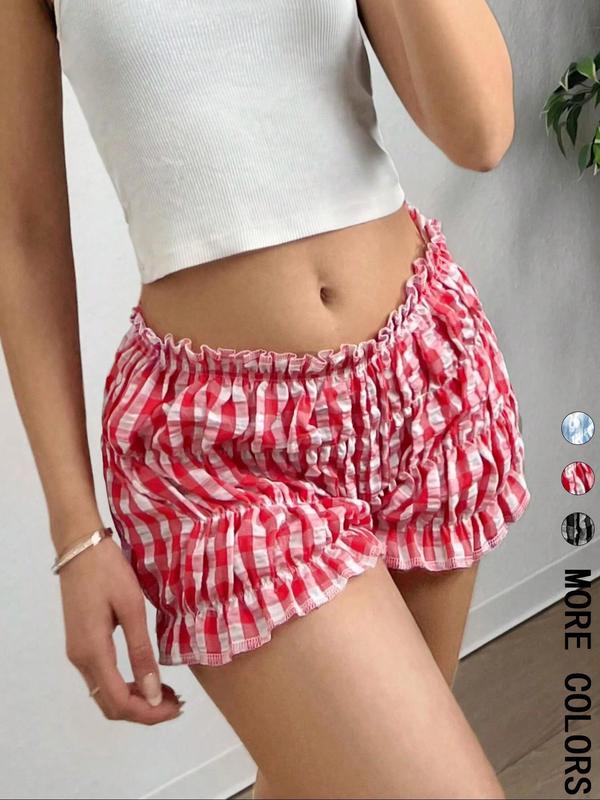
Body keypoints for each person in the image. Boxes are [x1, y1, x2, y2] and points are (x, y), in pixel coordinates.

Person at [0, 1, 530, 798]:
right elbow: (22, 229)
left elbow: (480, 131)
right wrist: (76, 535)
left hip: (421, 380)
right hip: (215, 454)